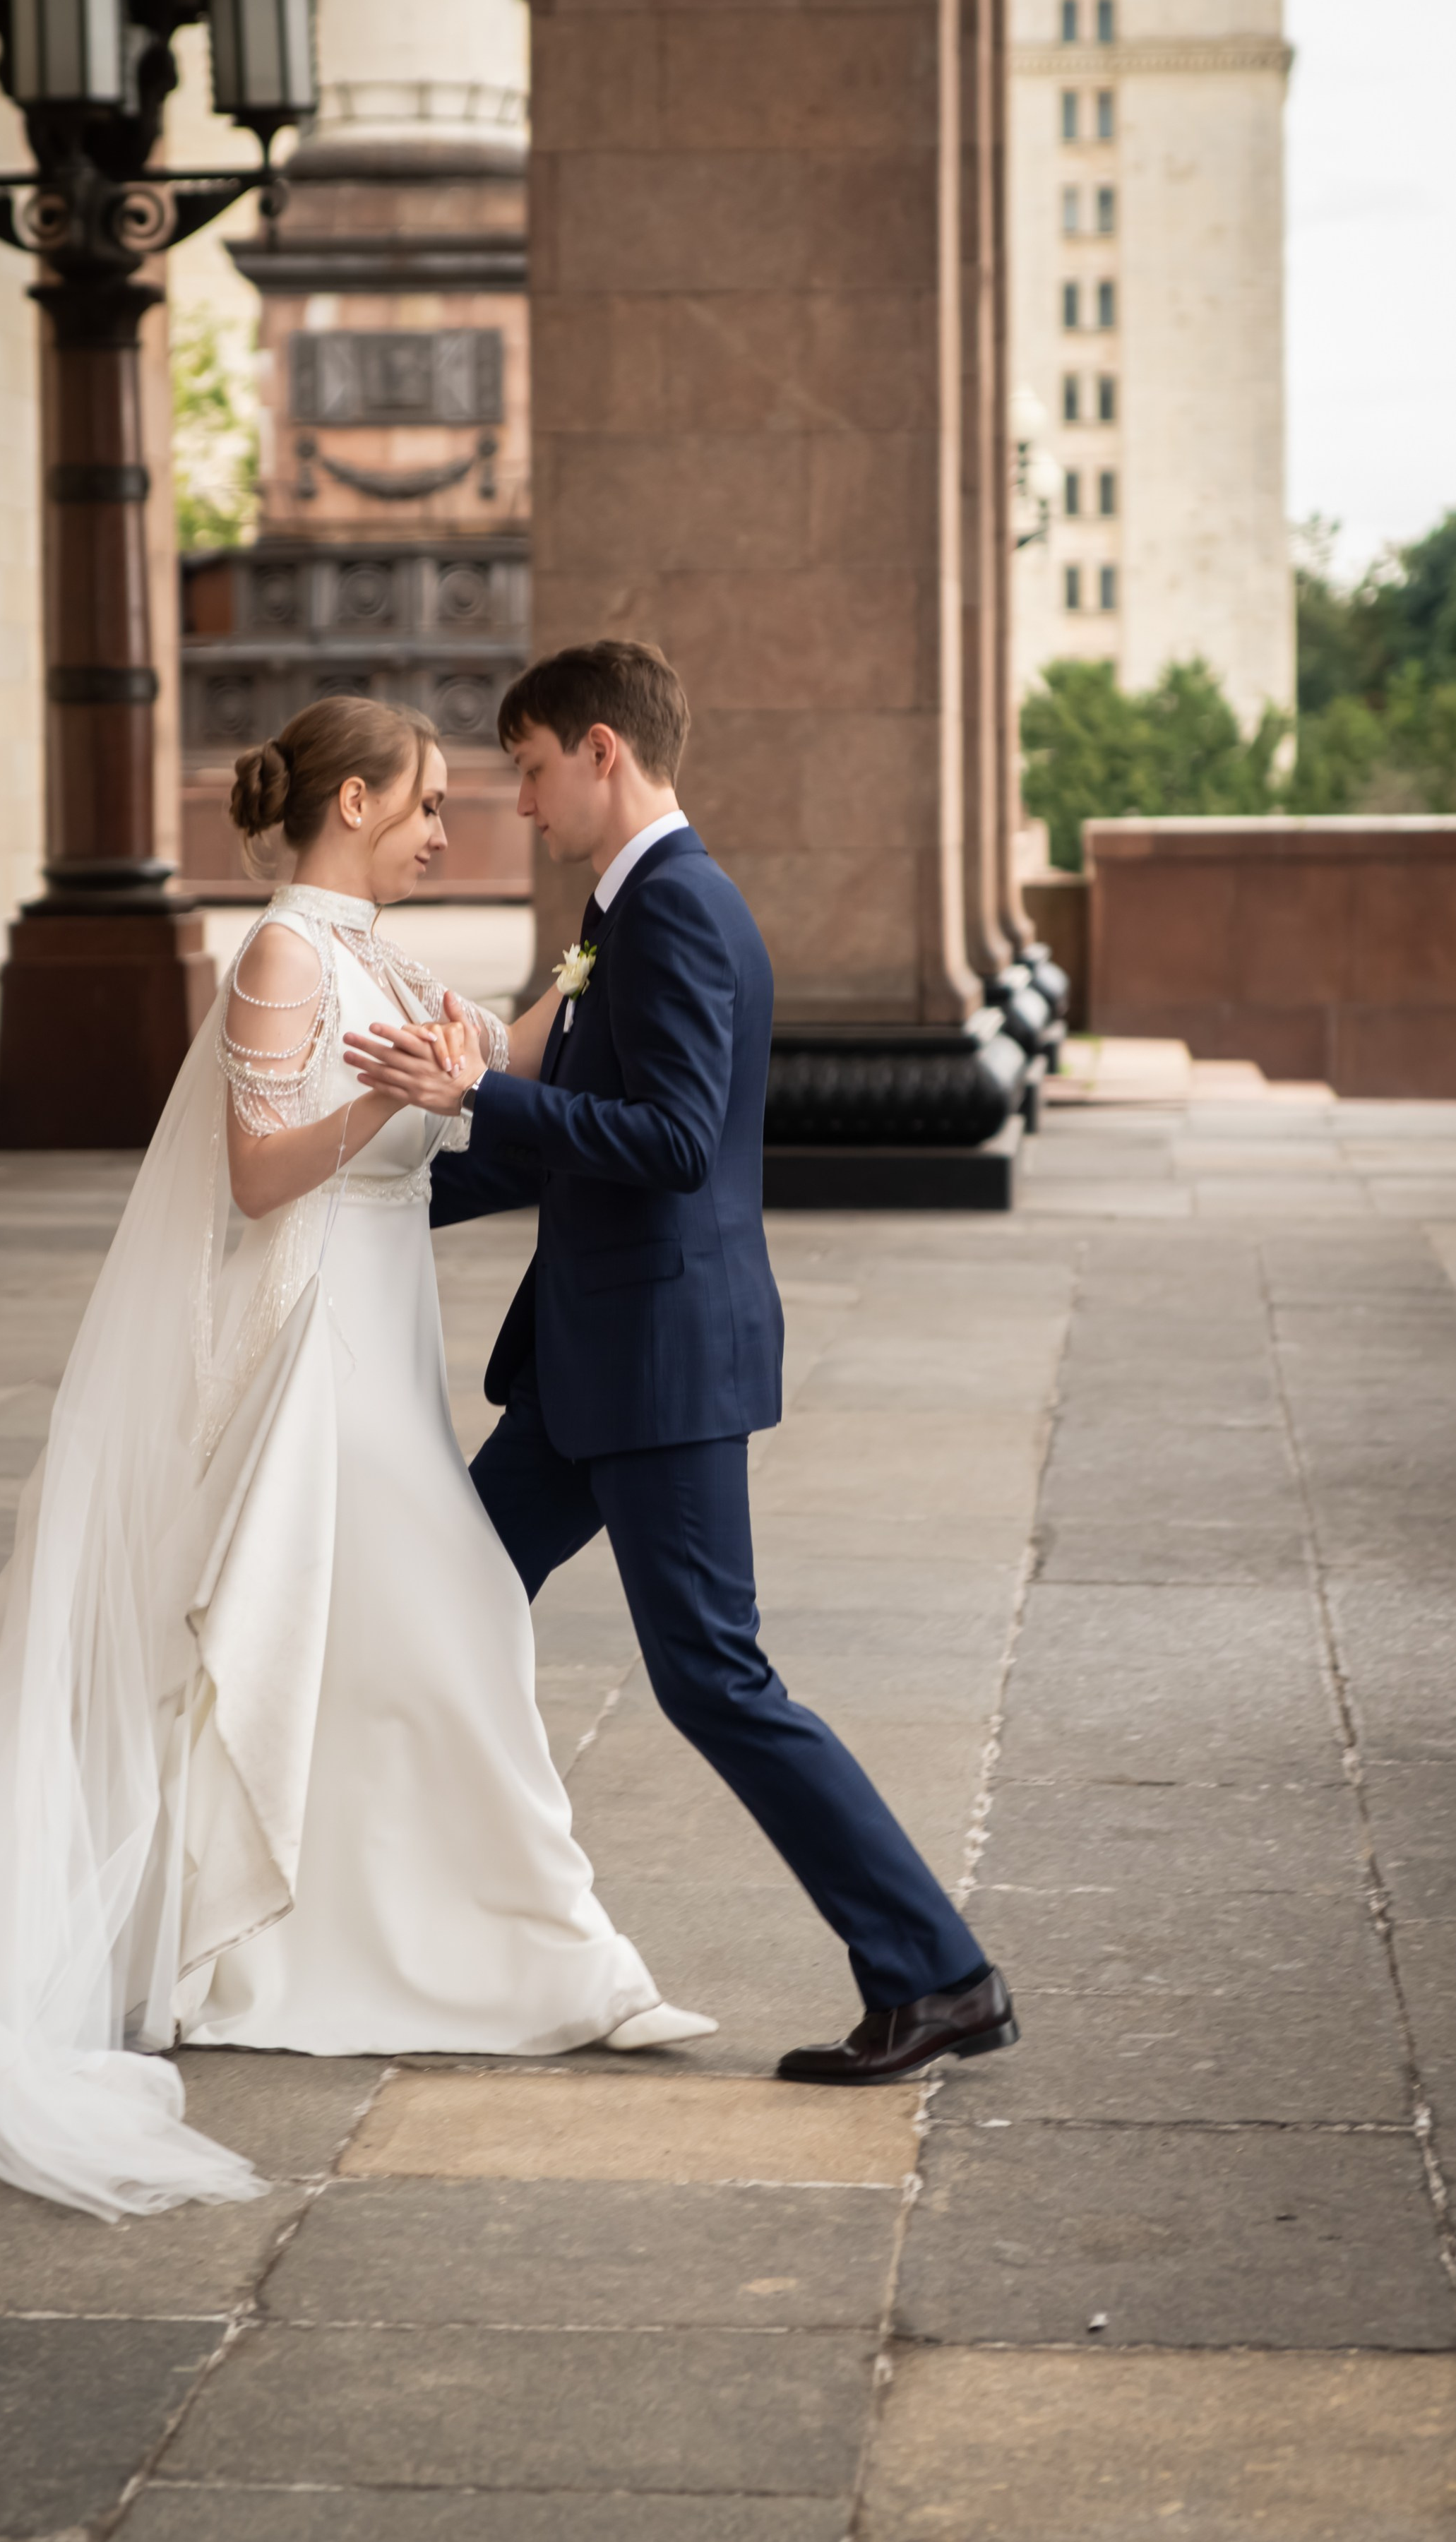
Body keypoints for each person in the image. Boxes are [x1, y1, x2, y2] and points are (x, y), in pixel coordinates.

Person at [0, 695, 709, 2222]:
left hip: (383, 1339)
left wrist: (589, 962)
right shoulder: (287, 953)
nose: (446, 830)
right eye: (427, 803)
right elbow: (252, 1177)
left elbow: (484, 1064)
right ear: (357, 799)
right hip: (317, 1349)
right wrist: (388, 1095)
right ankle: (551, 1962)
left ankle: (408, 1944)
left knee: (386, 1642)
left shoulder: (369, 949)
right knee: (449, 1625)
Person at [348, 642, 1019, 2087]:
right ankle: (405, 1927)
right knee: (433, 1600)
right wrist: (374, 1199)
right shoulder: (623, 911)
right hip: (594, 1363)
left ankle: (937, 1972)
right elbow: (570, 1149)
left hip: (656, 1366)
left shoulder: (679, 911)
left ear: (602, 751)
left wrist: (482, 1092)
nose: (518, 801)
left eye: (528, 769)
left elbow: (664, 1143)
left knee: (714, 1673)